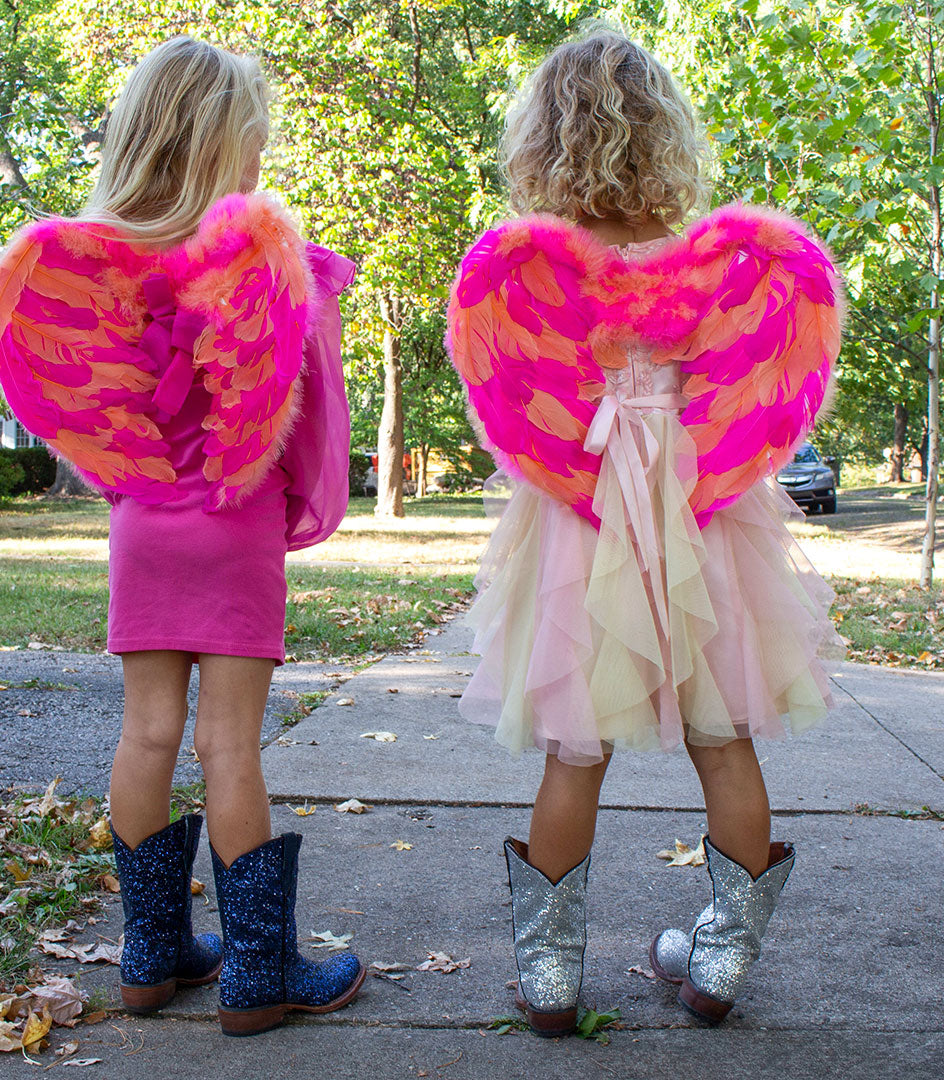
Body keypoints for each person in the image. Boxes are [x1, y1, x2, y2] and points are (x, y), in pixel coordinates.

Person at [446, 29, 844, 1034]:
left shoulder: (534, 269)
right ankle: (718, 963)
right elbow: (756, 378)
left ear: (545, 139)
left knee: (573, 752)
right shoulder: (712, 265)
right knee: (727, 739)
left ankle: (548, 980)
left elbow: (511, 394)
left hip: (583, 514)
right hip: (704, 510)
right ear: (664, 135)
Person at [0, 36, 364, 1036]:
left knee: (146, 731)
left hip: (143, 524)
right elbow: (312, 415)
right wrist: (306, 508)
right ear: (225, 150)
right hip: (234, 527)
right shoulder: (266, 263)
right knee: (229, 741)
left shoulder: (89, 270)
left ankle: (150, 953)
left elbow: (69, 399)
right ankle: (259, 970)